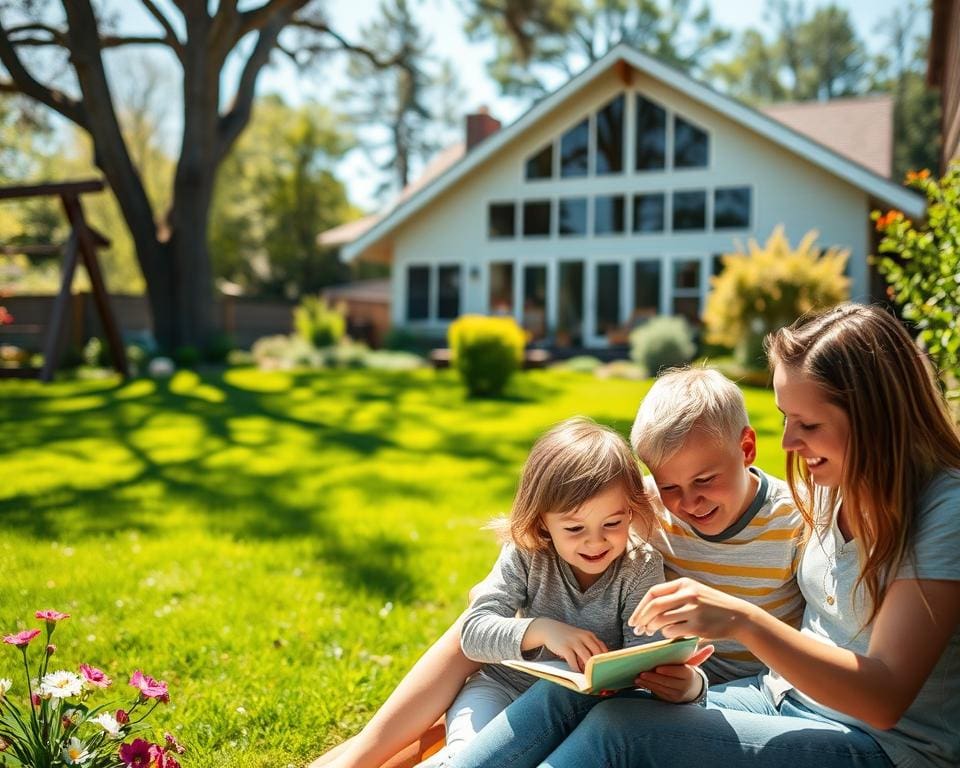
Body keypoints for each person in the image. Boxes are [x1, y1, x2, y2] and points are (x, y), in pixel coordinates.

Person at [455, 303, 960, 768]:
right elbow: (583, 511)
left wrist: (742, 620)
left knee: (621, 733)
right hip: (779, 698)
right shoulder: (833, 484)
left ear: (874, 416)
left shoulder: (943, 511)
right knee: (582, 698)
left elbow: (884, 700)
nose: (788, 441)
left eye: (808, 423)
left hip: (884, 745)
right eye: (786, 418)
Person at [317, 367, 803, 768]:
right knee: (471, 655)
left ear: (746, 449)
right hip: (548, 684)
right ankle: (358, 756)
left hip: (716, 695)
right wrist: (521, 616)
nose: (688, 501)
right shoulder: (639, 507)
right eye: (669, 486)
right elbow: (489, 611)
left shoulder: (795, 520)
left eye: (706, 480)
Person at [414, 415, 688, 766]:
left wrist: (624, 678)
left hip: (579, 712)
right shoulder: (528, 552)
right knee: (468, 756)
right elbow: (473, 633)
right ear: (542, 518)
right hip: (501, 692)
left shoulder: (639, 566)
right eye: (574, 528)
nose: (595, 541)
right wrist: (542, 630)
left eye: (612, 523)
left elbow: (644, 657)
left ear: (631, 512)